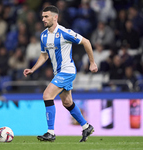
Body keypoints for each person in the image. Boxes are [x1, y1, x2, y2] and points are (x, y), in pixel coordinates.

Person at [23, 6, 98, 142]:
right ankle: (86, 126)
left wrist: (92, 62)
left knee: (47, 95)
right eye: (42, 16)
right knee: (67, 102)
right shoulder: (43, 35)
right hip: (58, 72)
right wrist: (33, 69)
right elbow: (44, 56)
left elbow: (86, 42)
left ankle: (50, 132)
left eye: (46, 16)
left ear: (55, 17)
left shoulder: (64, 32)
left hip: (67, 71)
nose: (43, 19)